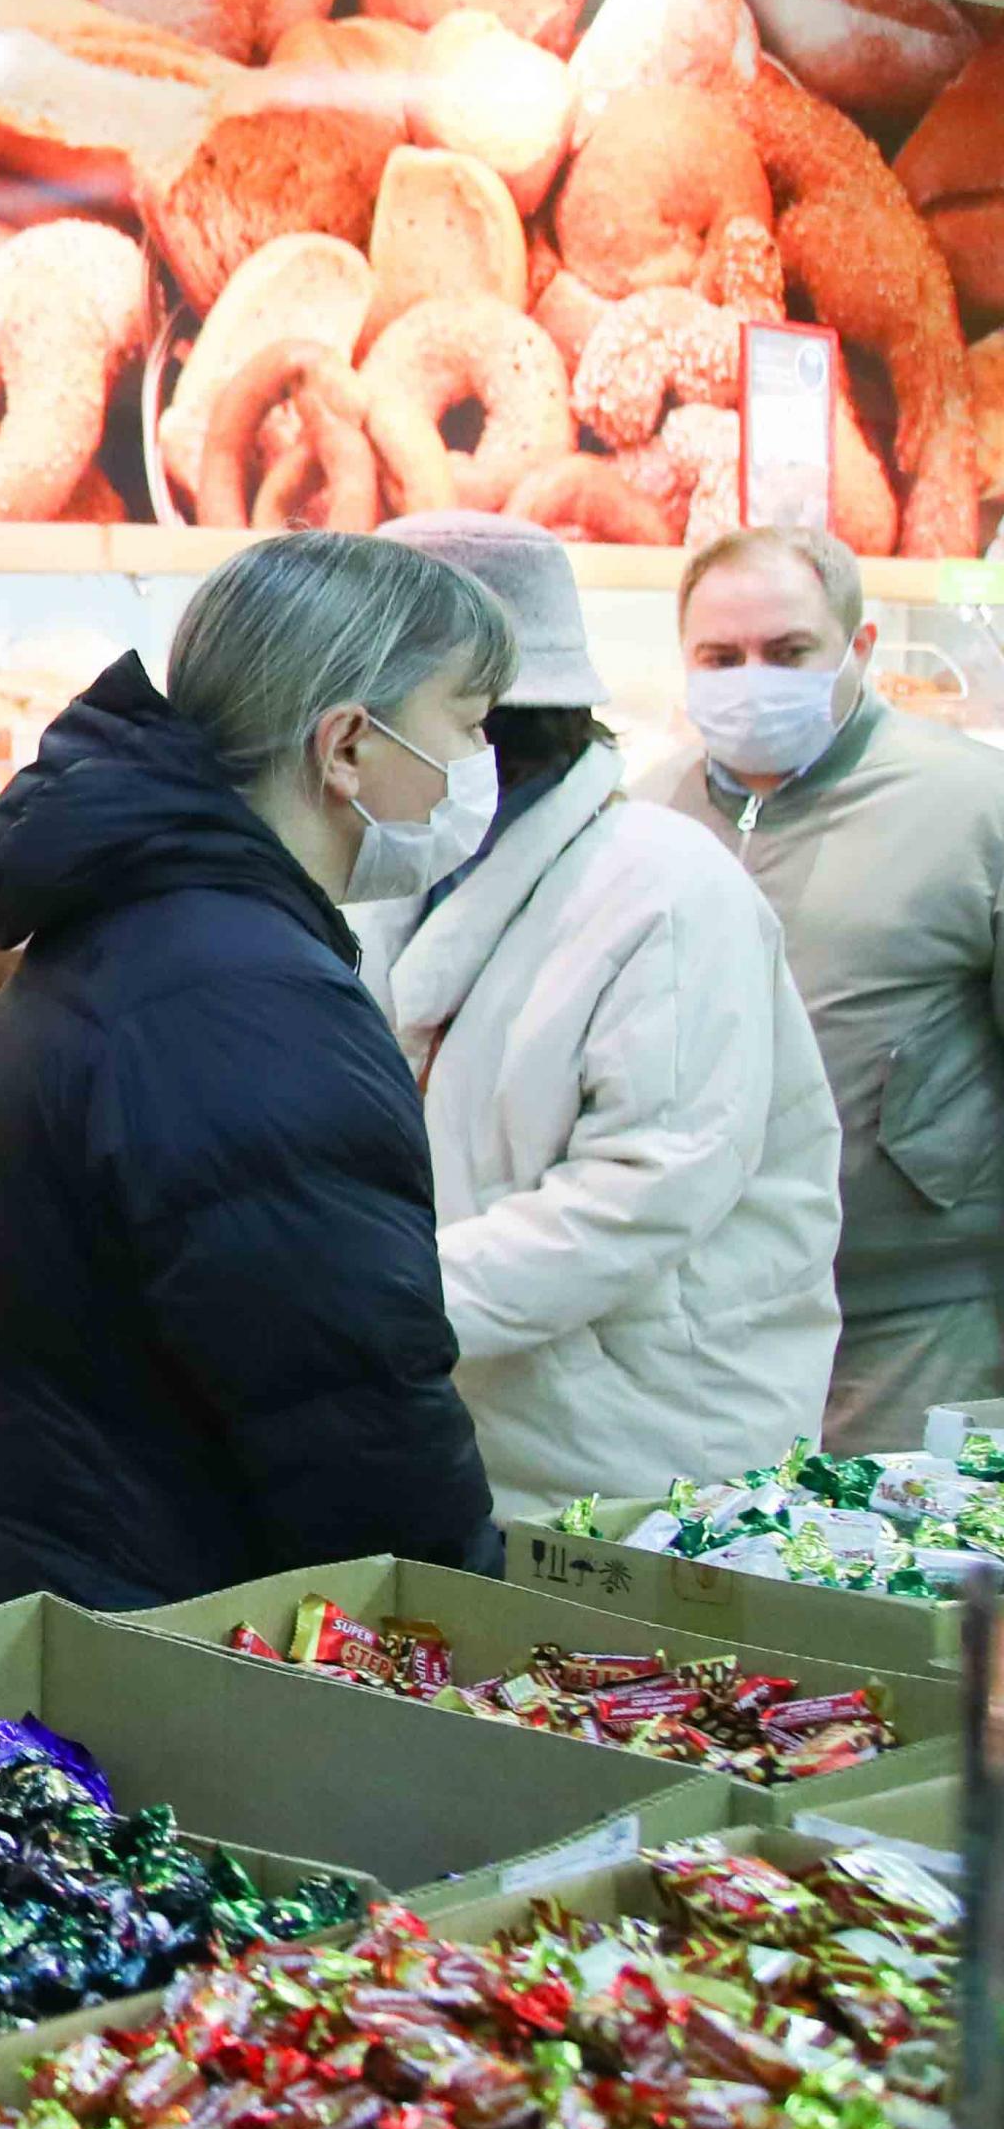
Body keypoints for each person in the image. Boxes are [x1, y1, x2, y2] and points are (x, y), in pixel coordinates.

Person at [0, 528, 508, 1630]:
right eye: (466, 721)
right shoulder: (246, 997)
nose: (478, 760)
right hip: (149, 1634)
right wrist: (457, 1626)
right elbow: (355, 1421)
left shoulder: (151, 923)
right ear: (347, 746)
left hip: (63, 1589)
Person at [358, 512, 841, 1517]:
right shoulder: (410, 873)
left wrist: (375, 1298)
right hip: (477, 1426)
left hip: (643, 1451)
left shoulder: (666, 892)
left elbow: (644, 1185)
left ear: (478, 722)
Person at [650, 523, 1004, 1453]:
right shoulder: (644, 817)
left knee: (907, 1543)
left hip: (913, 1324)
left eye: (788, 651)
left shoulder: (975, 808)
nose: (752, 679)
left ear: (861, 646)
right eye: (721, 657)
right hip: (692, 1329)